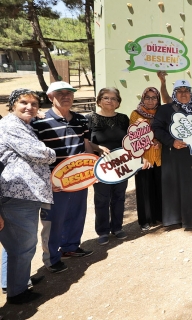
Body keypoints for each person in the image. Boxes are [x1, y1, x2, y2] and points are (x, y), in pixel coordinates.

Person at [33, 81, 105, 274]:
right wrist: (47, 179)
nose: (66, 96)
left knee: (77, 214)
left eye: (69, 93)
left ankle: (71, 247)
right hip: (54, 182)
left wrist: (92, 170)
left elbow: (86, 145)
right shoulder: (39, 122)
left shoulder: (81, 119)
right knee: (53, 221)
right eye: (60, 93)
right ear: (50, 97)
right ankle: (51, 258)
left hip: (79, 178)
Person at [0, 89, 56, 304]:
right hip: (18, 195)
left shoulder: (22, 124)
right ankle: (18, 292)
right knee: (23, 246)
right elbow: (40, 153)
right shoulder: (11, 125)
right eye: (24, 102)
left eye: (34, 104)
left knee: (14, 244)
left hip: (21, 194)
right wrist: (50, 152)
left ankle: (13, 282)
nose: (29, 107)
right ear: (13, 104)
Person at [151, 80, 192, 228]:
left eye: (186, 91)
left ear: (191, 93)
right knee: (178, 184)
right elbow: (157, 128)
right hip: (176, 155)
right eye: (180, 91)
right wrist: (171, 141)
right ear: (174, 93)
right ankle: (178, 218)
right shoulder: (165, 110)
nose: (184, 94)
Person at [87, 87, 130, 245]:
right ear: (99, 101)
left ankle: (117, 227)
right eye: (106, 98)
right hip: (101, 166)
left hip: (121, 165)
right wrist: (98, 147)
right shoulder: (90, 118)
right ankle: (103, 231)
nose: (110, 101)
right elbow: (85, 141)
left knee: (119, 197)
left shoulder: (124, 119)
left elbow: (130, 140)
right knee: (102, 198)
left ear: (118, 102)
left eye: (113, 98)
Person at [130, 87, 164, 231]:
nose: (150, 100)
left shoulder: (162, 113)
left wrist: (160, 142)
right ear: (143, 98)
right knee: (144, 189)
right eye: (147, 97)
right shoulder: (136, 114)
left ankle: (160, 216)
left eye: (154, 97)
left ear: (158, 99)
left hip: (160, 156)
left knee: (160, 188)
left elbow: (166, 131)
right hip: (144, 157)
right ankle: (145, 220)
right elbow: (133, 137)